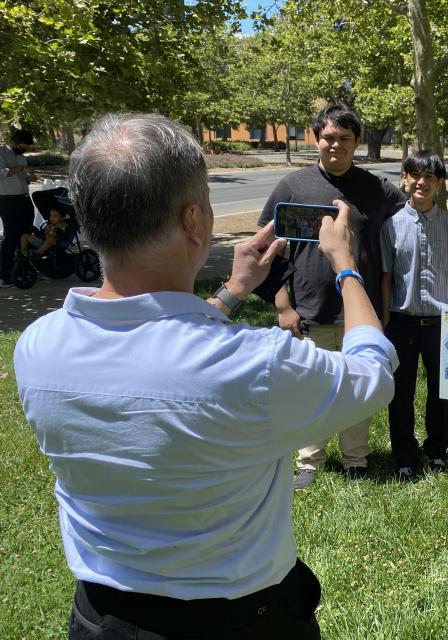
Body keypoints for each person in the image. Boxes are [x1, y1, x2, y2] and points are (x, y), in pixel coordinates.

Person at [14, 113, 397, 639]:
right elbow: (371, 372)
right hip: (240, 619)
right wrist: (345, 264)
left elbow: (159, 350)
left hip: (99, 616)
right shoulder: (259, 364)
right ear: (194, 220)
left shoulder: (37, 346)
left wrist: (233, 292)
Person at [257, 103, 407, 488]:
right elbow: (264, 250)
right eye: (327, 137)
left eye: (344, 138)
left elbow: (416, 220)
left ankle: (357, 458)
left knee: (357, 385)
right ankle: (309, 460)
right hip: (311, 307)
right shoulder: (292, 187)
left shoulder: (378, 190)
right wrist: (283, 306)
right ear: (316, 139)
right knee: (312, 386)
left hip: (362, 309)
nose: (335, 144)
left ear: (356, 142)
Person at [380, 150, 448, 481]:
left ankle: (437, 451)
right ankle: (405, 457)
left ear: (439, 184)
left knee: (442, 392)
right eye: (415, 175)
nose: (421, 182)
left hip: (443, 324)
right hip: (401, 321)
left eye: (430, 177)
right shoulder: (391, 227)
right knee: (401, 392)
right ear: (405, 178)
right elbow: (386, 277)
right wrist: (382, 320)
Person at [1, 130, 37, 287]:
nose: (24, 150)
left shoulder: (22, 157)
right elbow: (4, 173)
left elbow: (22, 178)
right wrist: (22, 168)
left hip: (24, 199)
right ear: (14, 142)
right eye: (22, 146)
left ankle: (24, 269)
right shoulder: (1, 153)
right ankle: (5, 275)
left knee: (26, 234)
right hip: (8, 201)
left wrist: (30, 177)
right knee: (11, 237)